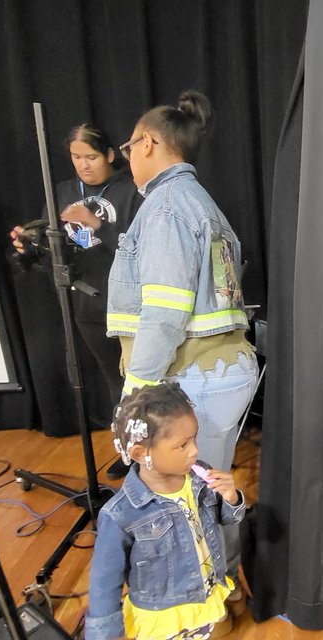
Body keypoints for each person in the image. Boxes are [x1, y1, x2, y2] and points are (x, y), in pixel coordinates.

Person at [108, 91, 258, 584]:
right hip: (216, 373)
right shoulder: (199, 203)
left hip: (198, 375)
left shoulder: (168, 207)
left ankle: (216, 591)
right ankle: (219, 587)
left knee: (200, 493)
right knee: (207, 486)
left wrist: (138, 387)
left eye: (128, 147)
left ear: (148, 142)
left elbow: (165, 313)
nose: (126, 158)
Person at [82, 383, 245, 640]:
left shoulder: (200, 479)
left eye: (194, 439)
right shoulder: (121, 514)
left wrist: (231, 498)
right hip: (160, 616)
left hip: (202, 599)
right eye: (182, 445)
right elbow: (104, 580)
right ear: (139, 451)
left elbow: (226, 519)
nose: (194, 451)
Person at [9, 124, 142, 477]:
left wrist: (97, 224)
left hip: (131, 305)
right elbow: (51, 256)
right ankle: (130, 454)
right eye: (76, 157)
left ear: (110, 155)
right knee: (115, 383)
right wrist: (28, 246)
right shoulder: (64, 192)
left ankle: (161, 455)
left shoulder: (132, 190)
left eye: (92, 157)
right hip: (86, 306)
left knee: (143, 381)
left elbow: (142, 249)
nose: (83, 165)